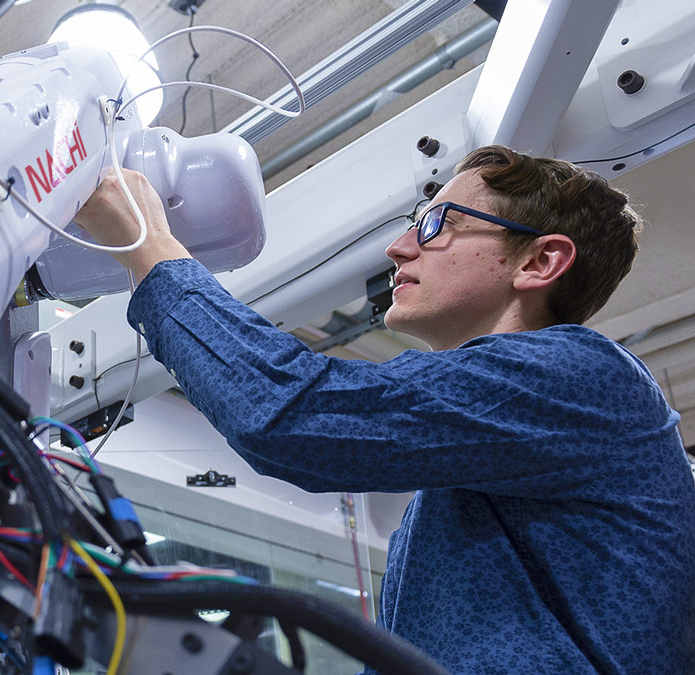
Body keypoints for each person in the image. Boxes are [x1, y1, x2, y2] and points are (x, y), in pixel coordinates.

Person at [71, 145, 695, 674]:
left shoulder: (583, 379)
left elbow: (294, 416)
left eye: (436, 223)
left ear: (539, 261)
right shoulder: (483, 461)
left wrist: (148, 244)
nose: (398, 248)